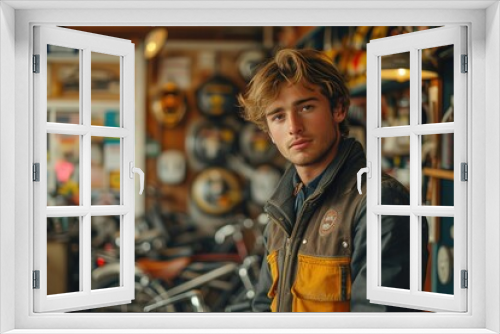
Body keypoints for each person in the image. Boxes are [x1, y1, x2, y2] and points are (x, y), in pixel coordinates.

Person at [238, 48, 428, 312]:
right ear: (269, 132)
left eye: (305, 107)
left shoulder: (381, 202)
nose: (294, 126)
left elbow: (379, 324)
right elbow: (263, 308)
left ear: (338, 109)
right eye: (278, 116)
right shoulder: (282, 209)